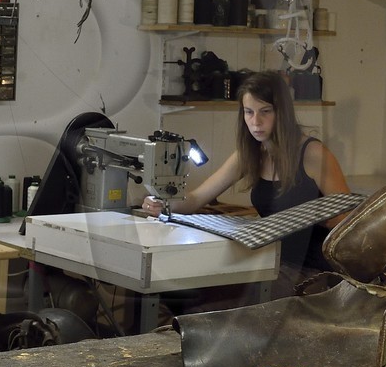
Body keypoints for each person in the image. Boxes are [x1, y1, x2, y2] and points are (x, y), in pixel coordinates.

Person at [142, 69, 351, 296]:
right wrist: (163, 203)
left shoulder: (313, 153)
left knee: (223, 299)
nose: (256, 122)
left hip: (311, 271)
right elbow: (196, 199)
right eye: (248, 112)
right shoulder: (250, 154)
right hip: (268, 260)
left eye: (265, 112)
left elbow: (349, 221)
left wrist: (307, 216)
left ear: (283, 113)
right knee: (182, 289)